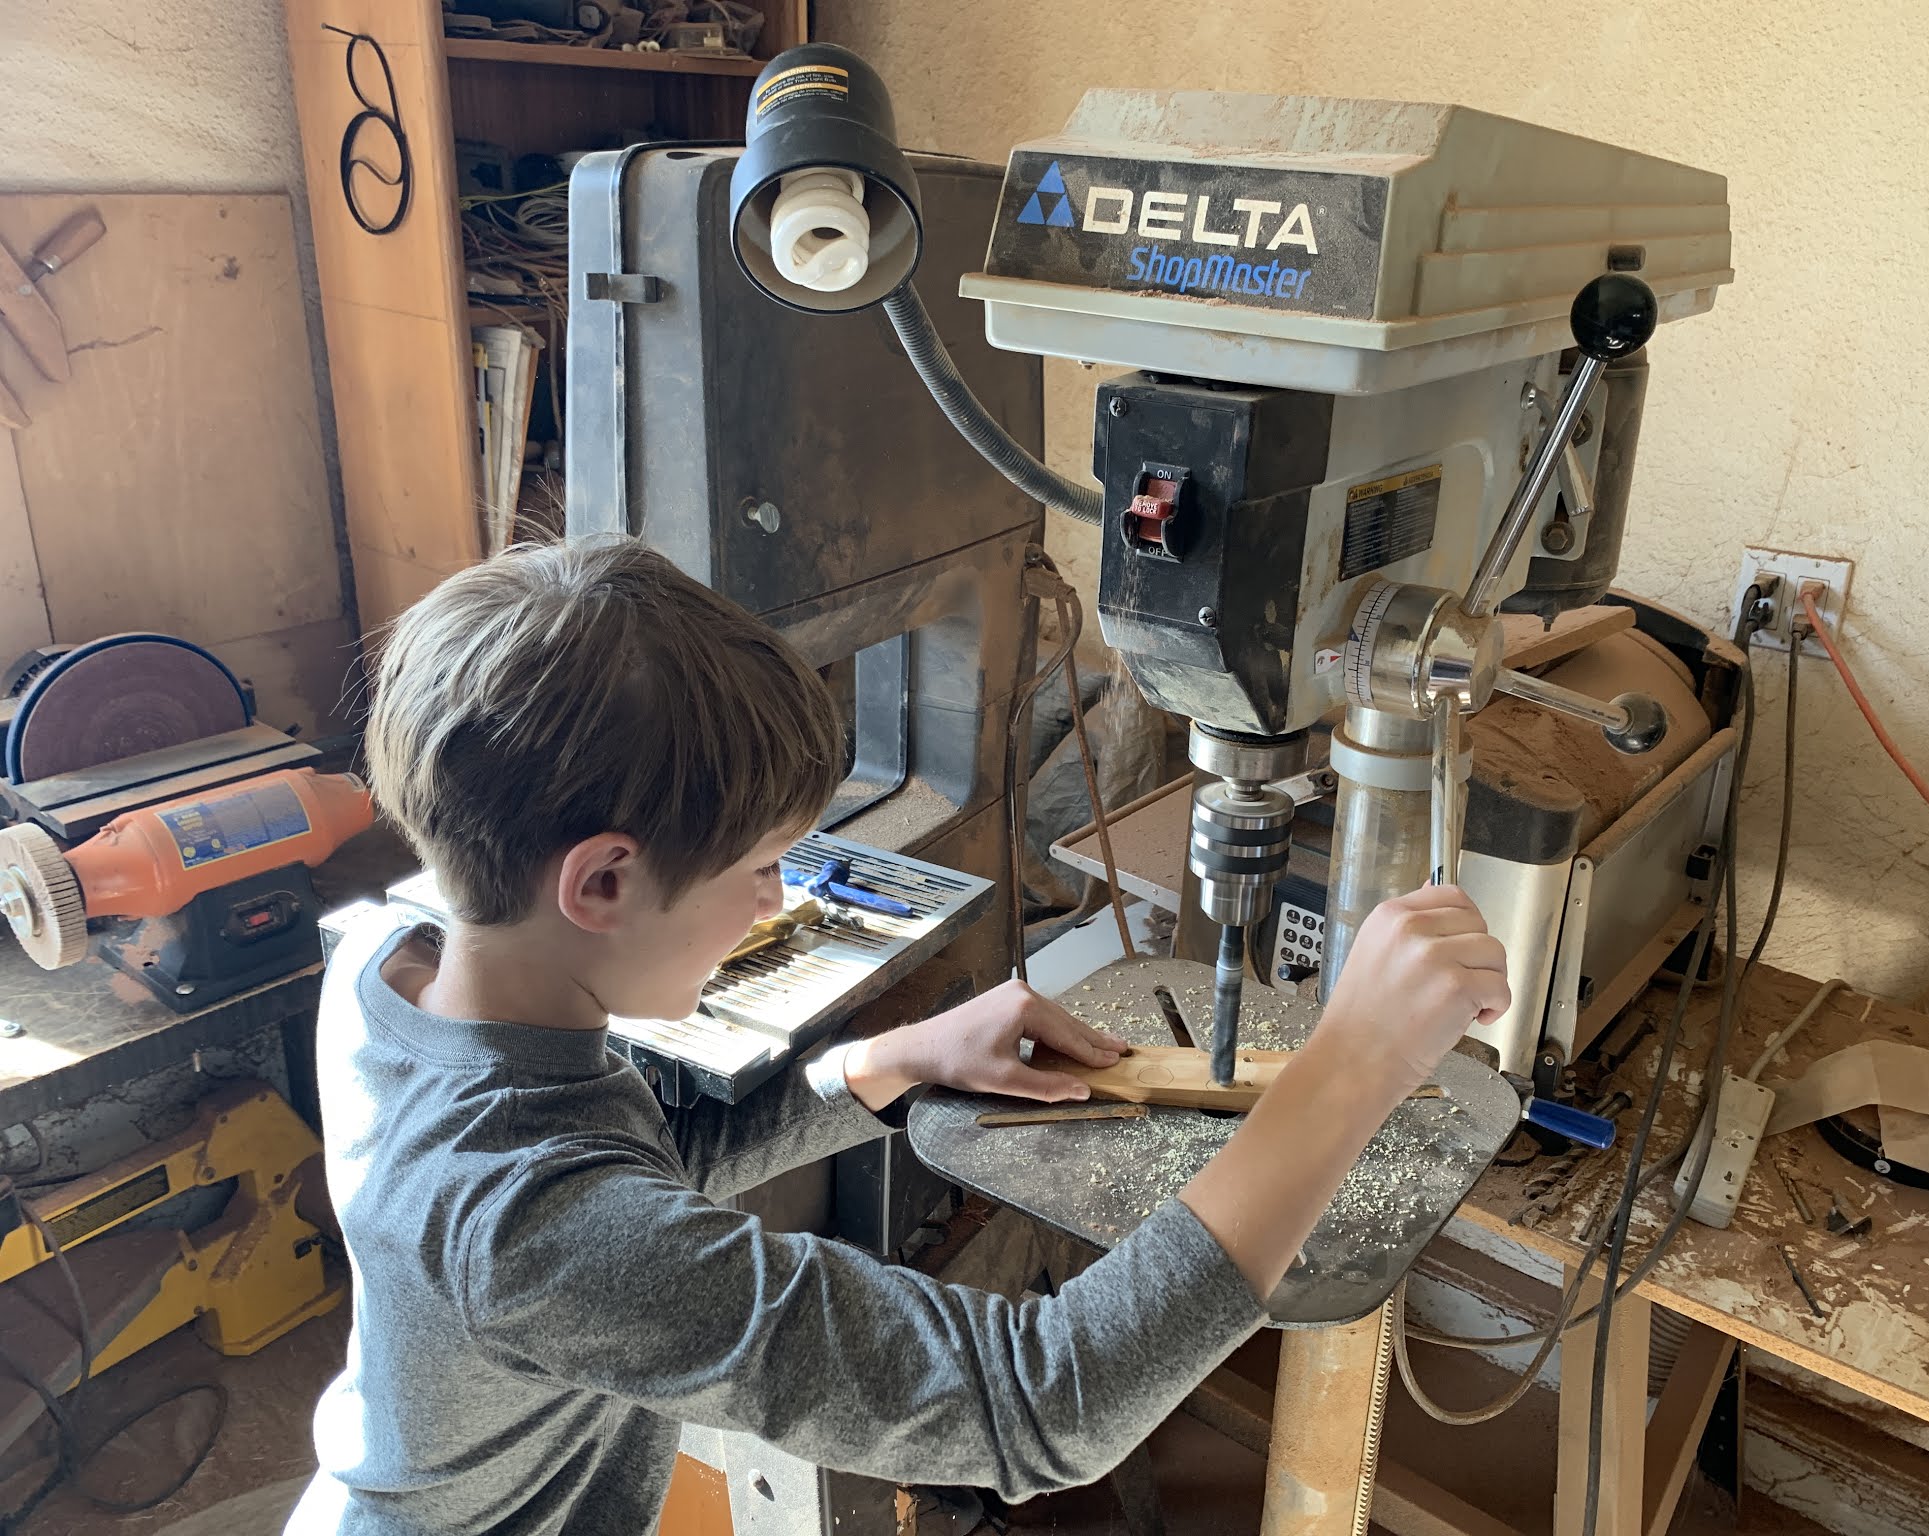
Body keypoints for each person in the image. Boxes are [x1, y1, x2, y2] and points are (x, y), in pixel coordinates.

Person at [286, 538, 1509, 1535]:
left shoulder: (393, 964)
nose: (772, 900)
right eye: (757, 869)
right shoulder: (532, 1236)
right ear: (602, 881)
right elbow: (1044, 1404)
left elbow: (630, 1167)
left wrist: (887, 1063)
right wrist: (1352, 1065)